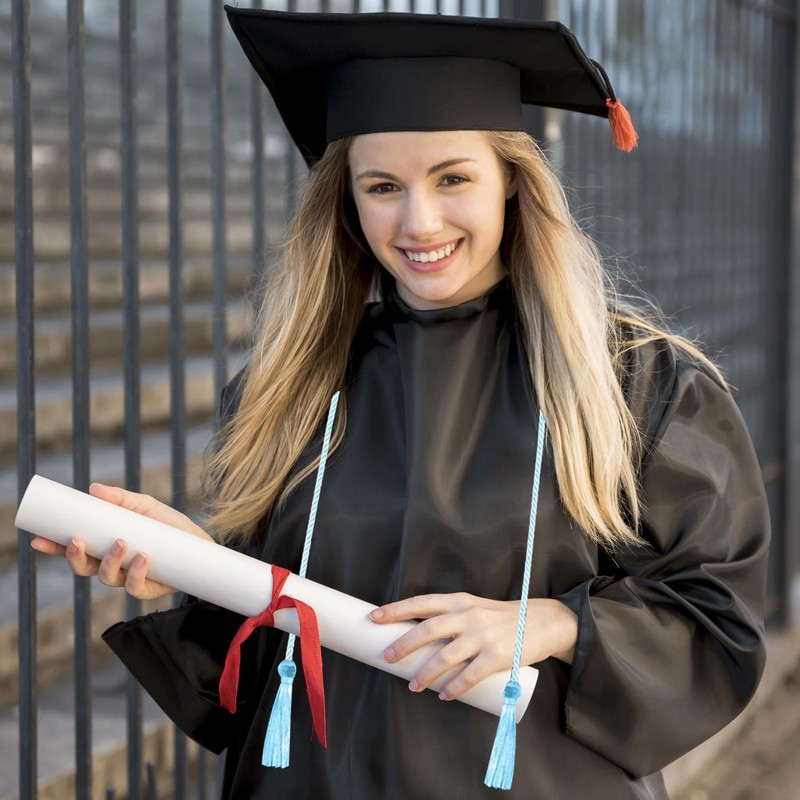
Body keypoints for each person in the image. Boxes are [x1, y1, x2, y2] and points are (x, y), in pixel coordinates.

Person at [31, 8, 769, 800]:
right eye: (383, 187)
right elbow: (266, 653)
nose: (418, 222)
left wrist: (553, 623)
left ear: (514, 184)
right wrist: (196, 570)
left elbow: (715, 622)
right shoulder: (289, 385)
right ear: (347, 201)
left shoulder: (634, 383)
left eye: (453, 177)